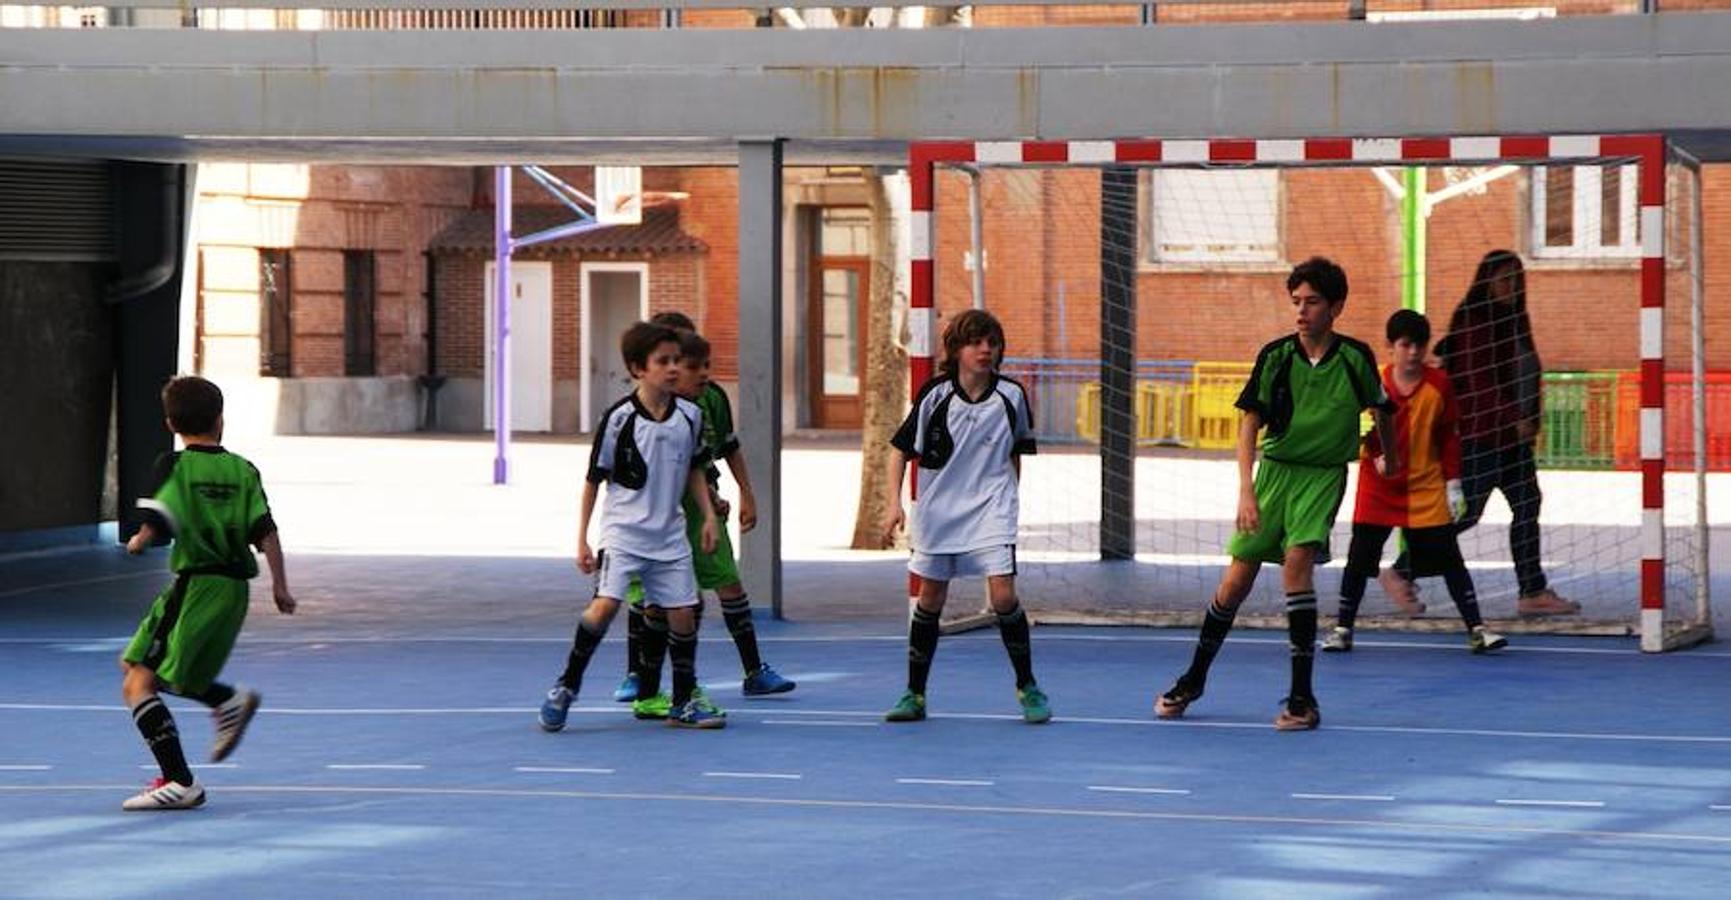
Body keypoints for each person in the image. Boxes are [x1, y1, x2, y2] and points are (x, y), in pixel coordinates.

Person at [1154, 257, 1397, 731]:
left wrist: (1389, 452)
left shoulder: (1354, 358)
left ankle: (1302, 699)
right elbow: (1249, 423)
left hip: (1322, 475)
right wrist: (1246, 489)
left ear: (1336, 307)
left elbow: (1382, 408)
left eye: (1312, 302)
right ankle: (1194, 678)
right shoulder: (1276, 356)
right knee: (1234, 583)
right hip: (1275, 475)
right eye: (1296, 302)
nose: (1301, 311)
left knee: (1296, 565)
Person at [119, 375, 295, 810]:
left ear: (170, 424)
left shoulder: (173, 465)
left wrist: (141, 538)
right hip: (232, 588)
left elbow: (158, 517)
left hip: (198, 584)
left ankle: (180, 781)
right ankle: (224, 701)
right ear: (220, 419)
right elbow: (265, 531)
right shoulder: (242, 469)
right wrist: (280, 586)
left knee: (140, 682)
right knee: (134, 664)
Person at [538, 321, 724, 732]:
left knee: (683, 614)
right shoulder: (619, 419)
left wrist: (708, 515)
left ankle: (682, 701)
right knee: (605, 607)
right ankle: (566, 685)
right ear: (639, 368)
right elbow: (592, 480)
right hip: (624, 532)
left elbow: (695, 469)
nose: (674, 368)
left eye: (677, 361)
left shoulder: (690, 417)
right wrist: (582, 539)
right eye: (663, 361)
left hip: (670, 534)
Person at [1383, 250, 1579, 618]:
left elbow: (1522, 373)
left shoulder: (1513, 320)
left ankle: (1532, 590)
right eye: (1504, 279)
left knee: (1527, 504)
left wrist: (1529, 418)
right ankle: (1401, 570)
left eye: (1517, 280)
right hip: (1483, 435)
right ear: (1487, 282)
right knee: (1467, 512)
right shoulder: (1476, 322)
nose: (1512, 287)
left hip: (1511, 439)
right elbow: (1479, 382)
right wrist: (1512, 417)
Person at [880, 309, 1050, 725]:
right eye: (977, 342)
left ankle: (1028, 686)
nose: (986, 350)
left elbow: (1017, 450)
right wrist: (893, 504)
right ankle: (914, 694)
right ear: (956, 349)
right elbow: (900, 449)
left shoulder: (1011, 396)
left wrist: (1010, 500)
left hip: (993, 507)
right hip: (939, 511)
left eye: (993, 343)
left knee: (1003, 596)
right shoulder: (935, 396)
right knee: (931, 598)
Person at [617, 326, 794, 721]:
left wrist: (742, 494)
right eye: (690, 365)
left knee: (723, 584)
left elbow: (720, 452)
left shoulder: (709, 402)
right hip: (657, 519)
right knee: (659, 602)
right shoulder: (642, 413)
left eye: (705, 366)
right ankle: (646, 682)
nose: (701, 374)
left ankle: (751, 671)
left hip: (702, 514)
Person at [1324, 309, 1509, 654]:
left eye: (1419, 346)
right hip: (1378, 487)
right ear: (1390, 346)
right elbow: (1352, 429)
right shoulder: (1372, 384)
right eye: (1406, 345)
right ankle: (1342, 629)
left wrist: (1453, 483)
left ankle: (1478, 629)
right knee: (1359, 558)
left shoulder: (1440, 384)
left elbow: (1449, 438)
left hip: (1425, 486)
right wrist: (1370, 453)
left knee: (1451, 559)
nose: (1413, 353)